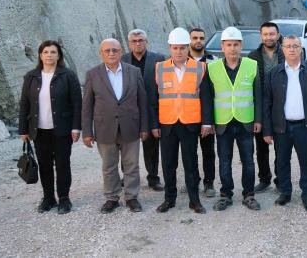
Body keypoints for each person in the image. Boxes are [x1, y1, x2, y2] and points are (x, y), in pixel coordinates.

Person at [82, 38, 149, 213]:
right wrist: (87, 132)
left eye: (115, 50)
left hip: (130, 127)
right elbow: (87, 106)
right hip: (105, 128)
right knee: (109, 166)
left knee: (131, 165)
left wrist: (144, 127)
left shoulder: (134, 72)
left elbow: (142, 101)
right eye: (107, 51)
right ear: (101, 53)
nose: (111, 53)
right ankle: (111, 198)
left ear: (121, 52)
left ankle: (131, 197)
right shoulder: (92, 74)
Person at [153, 27, 214, 214]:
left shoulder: (200, 68)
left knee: (191, 164)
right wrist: (154, 124)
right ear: (170, 48)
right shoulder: (160, 68)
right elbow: (153, 99)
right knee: (168, 164)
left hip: (190, 124)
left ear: (188, 48)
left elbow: (206, 97)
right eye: (175, 48)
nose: (178, 51)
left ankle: (194, 201)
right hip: (167, 124)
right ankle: (169, 199)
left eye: (182, 48)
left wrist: (206, 122)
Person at [18, 40, 82, 214]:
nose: (49, 55)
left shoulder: (68, 75)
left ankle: (64, 198)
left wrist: (76, 128)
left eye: (53, 52)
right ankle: (48, 198)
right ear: (40, 55)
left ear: (58, 55)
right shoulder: (31, 76)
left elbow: (77, 103)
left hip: (62, 130)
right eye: (45, 52)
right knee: (44, 165)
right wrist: (23, 129)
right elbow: (24, 104)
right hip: (39, 131)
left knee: (62, 164)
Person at [262, 35, 307, 212]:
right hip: (281, 126)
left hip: (305, 126)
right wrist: (267, 130)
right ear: (282, 49)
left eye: (295, 46)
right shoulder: (274, 73)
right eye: (288, 46)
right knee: (282, 161)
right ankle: (285, 192)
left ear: (301, 49)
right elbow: (267, 103)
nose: (291, 49)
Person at [208, 27, 262, 212]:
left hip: (245, 122)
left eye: (236, 44)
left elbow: (258, 96)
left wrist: (258, 120)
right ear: (222, 46)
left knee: (248, 160)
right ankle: (225, 195)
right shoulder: (212, 68)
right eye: (229, 44)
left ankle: (249, 195)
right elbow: (208, 97)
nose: (232, 48)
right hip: (223, 123)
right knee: (224, 161)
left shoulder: (251, 65)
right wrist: (209, 121)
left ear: (241, 46)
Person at [122, 29, 165, 191]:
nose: (138, 43)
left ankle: (153, 178)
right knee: (126, 147)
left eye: (141, 40)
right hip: (129, 111)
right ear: (129, 43)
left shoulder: (158, 59)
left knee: (152, 148)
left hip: (151, 109)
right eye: (134, 41)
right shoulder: (123, 59)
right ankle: (126, 177)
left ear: (146, 41)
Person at [248, 21, 284, 192]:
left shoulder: (286, 52)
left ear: (278, 35)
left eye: (272, 34)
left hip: (282, 106)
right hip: (261, 106)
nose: (269, 37)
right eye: (265, 34)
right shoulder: (252, 56)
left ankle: (280, 178)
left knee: (281, 146)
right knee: (261, 146)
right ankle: (264, 178)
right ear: (261, 36)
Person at [189, 27, 217, 198]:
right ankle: (192, 181)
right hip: (188, 115)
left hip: (207, 113)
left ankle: (209, 183)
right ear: (189, 40)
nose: (198, 41)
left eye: (201, 37)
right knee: (189, 152)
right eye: (195, 38)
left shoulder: (213, 61)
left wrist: (211, 118)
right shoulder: (182, 60)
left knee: (208, 152)